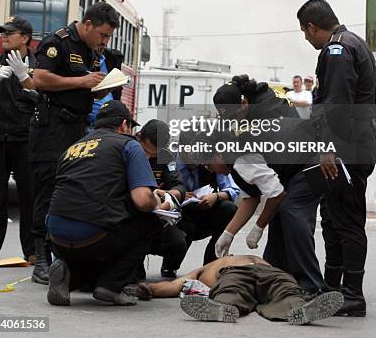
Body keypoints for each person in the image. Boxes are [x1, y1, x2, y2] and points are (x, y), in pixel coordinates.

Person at [297, 0, 376, 317]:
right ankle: (332, 289)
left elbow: (336, 103)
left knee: (345, 220)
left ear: (313, 27)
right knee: (332, 219)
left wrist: (330, 147)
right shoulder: (356, 44)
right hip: (358, 144)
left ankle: (351, 294)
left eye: (305, 33)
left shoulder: (336, 49)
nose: (307, 40)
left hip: (343, 149)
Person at [30, 2, 119, 284]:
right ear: (88, 24)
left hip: (77, 128)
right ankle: (40, 260)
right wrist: (81, 82)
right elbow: (40, 79)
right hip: (51, 127)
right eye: (103, 35)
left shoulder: (91, 52)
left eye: (108, 38)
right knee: (47, 191)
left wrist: (99, 86)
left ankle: (63, 257)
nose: (104, 42)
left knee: (71, 191)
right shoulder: (57, 43)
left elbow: (83, 88)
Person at [213, 76, 325, 297]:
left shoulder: (267, 111)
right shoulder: (239, 132)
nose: (234, 122)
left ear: (244, 103)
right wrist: (229, 233)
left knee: (292, 212)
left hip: (310, 161)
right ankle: (277, 279)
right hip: (290, 167)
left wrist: (257, 227)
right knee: (278, 218)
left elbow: (275, 192)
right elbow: (252, 196)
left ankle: (312, 286)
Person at [46, 100, 162, 306]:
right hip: (93, 234)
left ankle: (68, 273)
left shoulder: (71, 148)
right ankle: (110, 287)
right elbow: (143, 199)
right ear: (124, 125)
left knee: (93, 241)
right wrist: (158, 203)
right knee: (150, 220)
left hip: (56, 236)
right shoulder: (128, 144)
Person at [140, 254, 343, 326]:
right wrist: (148, 288)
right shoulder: (208, 267)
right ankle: (222, 307)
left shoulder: (221, 262)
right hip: (235, 273)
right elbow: (175, 285)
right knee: (232, 289)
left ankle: (300, 310)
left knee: (286, 289)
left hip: (271, 273)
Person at [0, 17, 36, 263]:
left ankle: (33, 251)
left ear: (25, 37)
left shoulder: (39, 65)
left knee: (30, 195)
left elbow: (44, 98)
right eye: (1, 33)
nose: (3, 36)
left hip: (27, 137)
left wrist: (24, 77)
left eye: (9, 33)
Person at [176, 131, 239, 266]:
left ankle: (211, 264)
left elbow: (233, 189)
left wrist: (215, 196)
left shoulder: (211, 161)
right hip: (178, 215)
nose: (195, 159)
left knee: (229, 208)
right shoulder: (170, 163)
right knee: (183, 230)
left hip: (203, 210)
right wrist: (178, 194)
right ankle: (171, 264)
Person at [135, 119, 187, 278]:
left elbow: (179, 187)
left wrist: (166, 197)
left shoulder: (166, 156)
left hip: (158, 213)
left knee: (178, 243)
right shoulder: (128, 150)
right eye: (147, 151)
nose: (150, 157)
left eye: (155, 154)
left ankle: (168, 267)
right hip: (131, 214)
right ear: (139, 137)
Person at [87, 44, 124, 129]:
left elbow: (117, 93)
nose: (102, 42)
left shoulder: (111, 59)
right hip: (87, 122)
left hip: (108, 124)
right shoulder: (83, 60)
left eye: (107, 37)